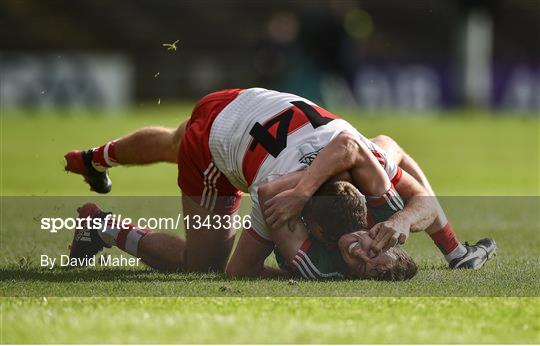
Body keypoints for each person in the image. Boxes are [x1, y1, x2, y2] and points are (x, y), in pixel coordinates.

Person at [64, 88, 495, 279]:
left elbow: (385, 150)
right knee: (202, 264)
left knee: (171, 140)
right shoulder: (281, 199)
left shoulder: (369, 163)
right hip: (217, 144)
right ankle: (101, 225)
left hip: (248, 100)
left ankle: (93, 158)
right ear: (318, 230)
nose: (366, 250)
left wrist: (407, 220)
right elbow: (241, 267)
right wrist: (294, 256)